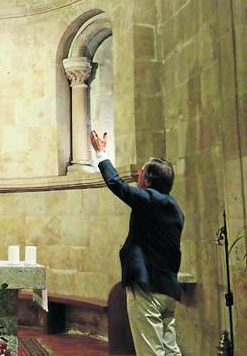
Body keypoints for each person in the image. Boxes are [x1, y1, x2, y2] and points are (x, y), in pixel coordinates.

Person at [90, 130, 184, 356]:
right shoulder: (175, 209)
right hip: (167, 289)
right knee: (170, 351)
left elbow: (116, 184)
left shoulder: (151, 201)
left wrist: (101, 153)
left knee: (150, 352)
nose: (137, 176)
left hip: (147, 288)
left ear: (149, 180)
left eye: (140, 173)